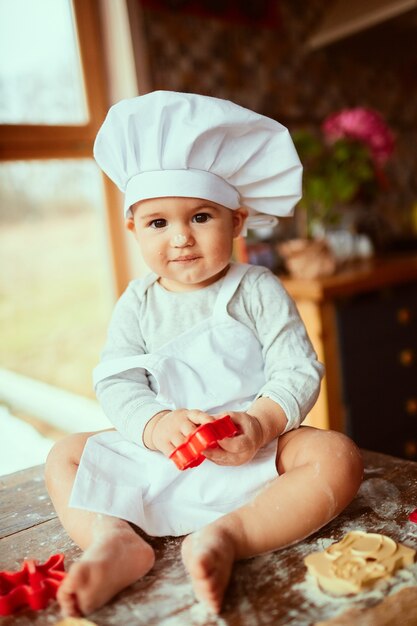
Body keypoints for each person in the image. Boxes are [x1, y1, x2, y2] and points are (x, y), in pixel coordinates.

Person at [45, 91, 363, 618]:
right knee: (65, 455)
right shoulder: (137, 302)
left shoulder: (257, 287)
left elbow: (296, 366)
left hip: (253, 454)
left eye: (199, 216)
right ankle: (115, 540)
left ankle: (230, 535)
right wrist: (154, 423)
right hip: (160, 454)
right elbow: (118, 382)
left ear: (237, 221)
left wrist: (260, 423)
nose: (180, 240)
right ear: (133, 228)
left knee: (337, 457)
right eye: (158, 223)